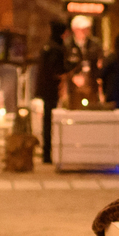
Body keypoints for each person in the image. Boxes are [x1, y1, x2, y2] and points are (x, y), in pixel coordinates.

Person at [37, 20, 68, 163]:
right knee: (50, 120)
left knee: (47, 120)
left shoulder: (47, 46)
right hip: (52, 89)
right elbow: (55, 70)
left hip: (45, 88)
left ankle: (46, 152)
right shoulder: (56, 48)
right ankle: (47, 153)